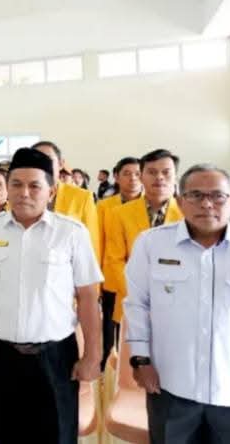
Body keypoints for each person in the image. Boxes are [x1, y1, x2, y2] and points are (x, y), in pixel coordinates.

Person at [124, 164, 230, 444]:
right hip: (170, 387)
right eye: (196, 195)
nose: (206, 204)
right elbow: (136, 305)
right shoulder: (152, 244)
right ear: (180, 201)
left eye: (217, 196)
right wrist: (141, 359)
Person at [0, 148, 103, 443]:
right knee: (7, 433)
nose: (24, 193)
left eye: (34, 186)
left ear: (51, 192)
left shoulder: (71, 233)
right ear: (7, 188)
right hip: (2, 355)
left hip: (55, 357)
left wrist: (93, 354)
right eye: (16, 184)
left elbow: (88, 297)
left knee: (58, 434)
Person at [103, 149, 183, 327]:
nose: (159, 177)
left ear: (176, 177)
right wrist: (140, 296)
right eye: (152, 172)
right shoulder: (120, 213)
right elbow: (115, 260)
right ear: (142, 177)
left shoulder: (188, 213)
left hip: (180, 303)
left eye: (166, 172)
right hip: (133, 303)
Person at [95, 156, 142, 370]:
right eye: (127, 174)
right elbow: (98, 241)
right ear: (116, 177)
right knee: (110, 330)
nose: (133, 178)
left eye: (137, 174)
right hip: (112, 278)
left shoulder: (150, 206)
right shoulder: (105, 206)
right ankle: (109, 372)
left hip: (142, 280)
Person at [32, 141, 99, 256]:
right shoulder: (19, 197)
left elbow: (92, 245)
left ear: (60, 164)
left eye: (48, 159)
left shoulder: (82, 197)